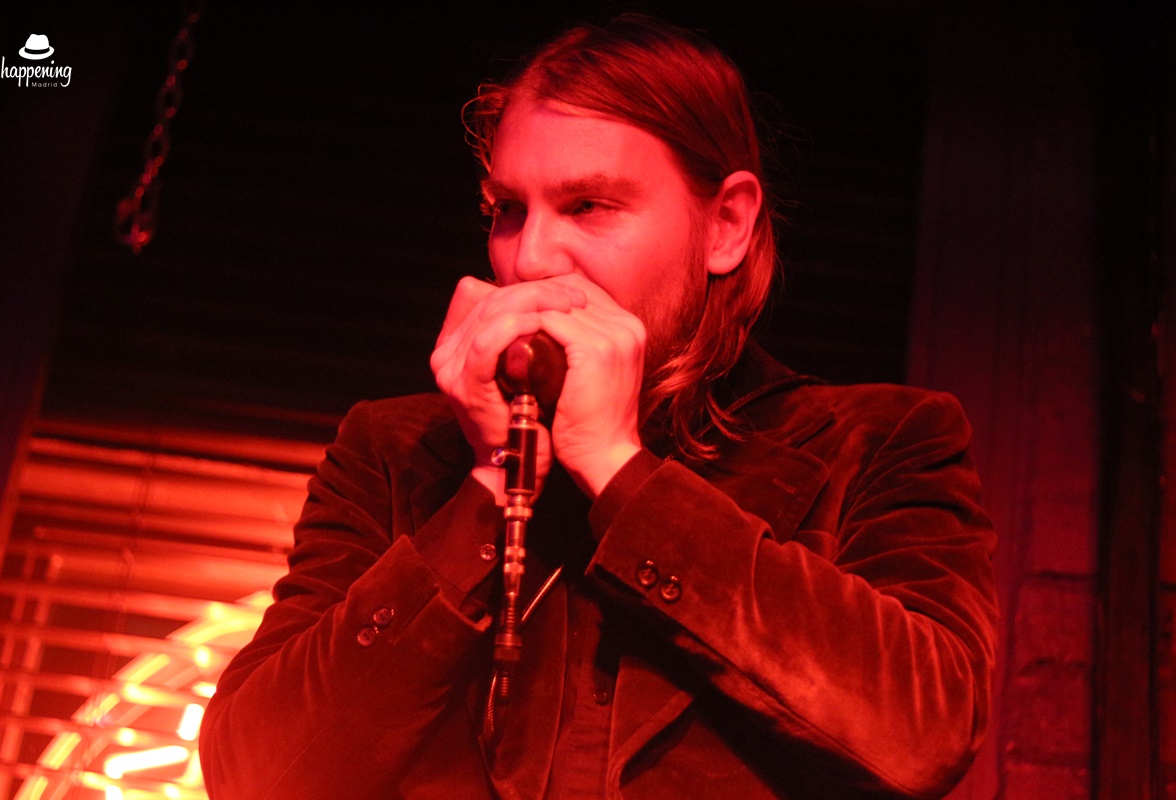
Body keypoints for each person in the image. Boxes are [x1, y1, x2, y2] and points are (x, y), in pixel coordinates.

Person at [200, 15, 997, 800]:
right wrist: (491, 484)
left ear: (725, 225)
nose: (530, 258)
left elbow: (923, 736)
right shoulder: (391, 449)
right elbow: (253, 776)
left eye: (588, 206)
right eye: (507, 210)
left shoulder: (880, 441)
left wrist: (621, 472)